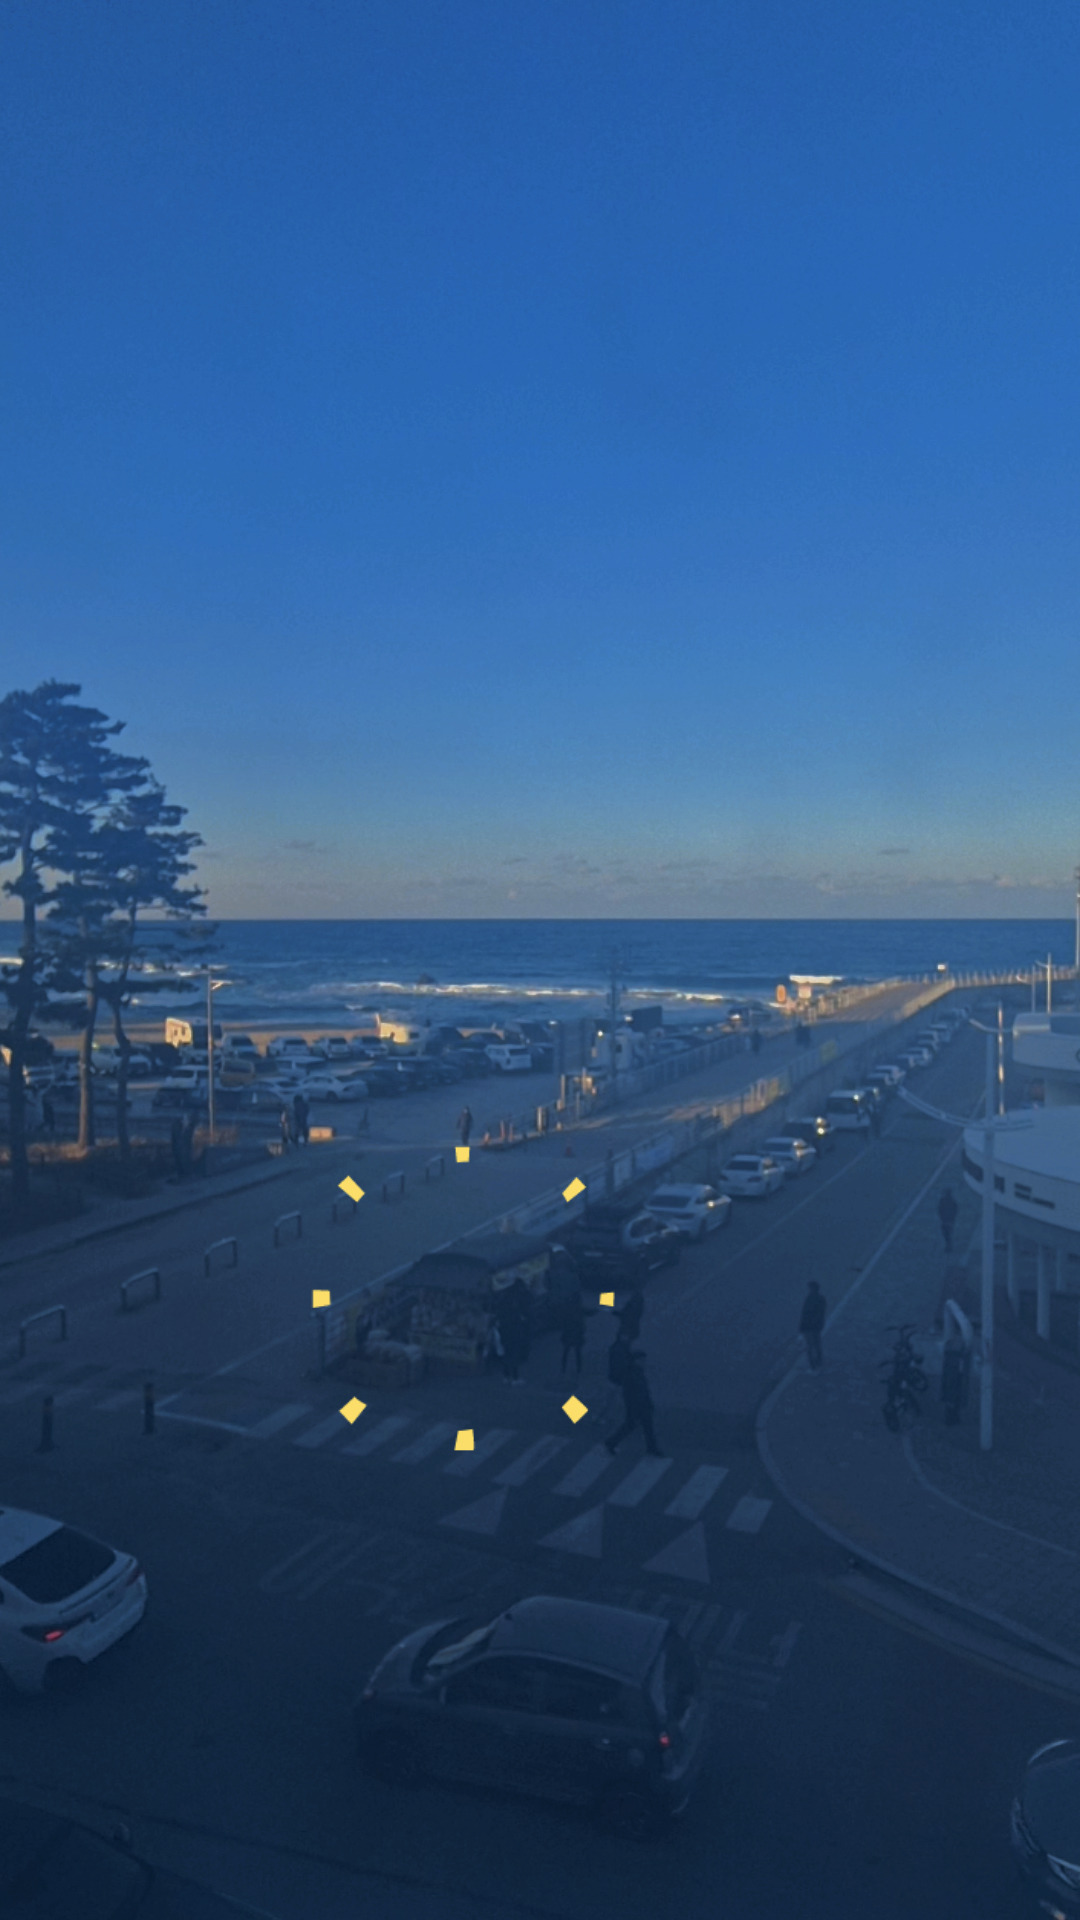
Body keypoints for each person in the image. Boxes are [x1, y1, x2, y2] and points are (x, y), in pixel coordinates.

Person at [606, 1350, 661, 1457]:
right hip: (638, 1405)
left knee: (644, 1426)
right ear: (636, 1360)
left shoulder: (635, 1371)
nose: (644, 1362)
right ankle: (611, 1442)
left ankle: (651, 1448)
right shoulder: (633, 1373)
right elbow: (636, 1391)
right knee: (635, 1426)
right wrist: (645, 1404)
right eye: (642, 1360)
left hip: (638, 1404)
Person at [558, 1290, 594, 1376]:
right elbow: (589, 1313)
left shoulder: (567, 1308)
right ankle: (578, 1369)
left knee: (566, 1351)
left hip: (568, 1332)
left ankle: (563, 1369)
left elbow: (562, 1320)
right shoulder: (579, 1308)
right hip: (577, 1332)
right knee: (577, 1352)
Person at [799, 1281, 826, 1369]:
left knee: (812, 1345)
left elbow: (808, 1313)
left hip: (811, 1326)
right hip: (812, 1326)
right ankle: (816, 1362)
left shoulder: (813, 1299)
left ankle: (815, 1363)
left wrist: (803, 1325)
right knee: (814, 1344)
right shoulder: (816, 1298)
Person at [937, 1186, 959, 1253]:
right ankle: (949, 1245)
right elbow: (955, 1209)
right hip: (949, 1219)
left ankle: (948, 1245)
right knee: (948, 1232)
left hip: (945, 1219)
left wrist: (941, 1217)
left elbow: (939, 1209)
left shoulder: (943, 1200)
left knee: (946, 1233)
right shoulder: (952, 1201)